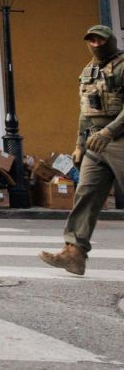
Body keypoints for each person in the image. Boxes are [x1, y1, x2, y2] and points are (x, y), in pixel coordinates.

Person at [40, 25, 124, 275]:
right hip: (94, 143)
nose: (96, 45)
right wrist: (79, 145)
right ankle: (74, 253)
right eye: (92, 40)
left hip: (118, 137)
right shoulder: (88, 71)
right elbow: (85, 112)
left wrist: (109, 132)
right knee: (86, 195)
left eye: (100, 40)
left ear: (110, 41)